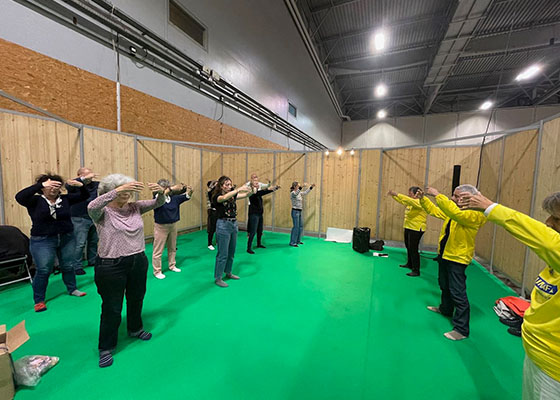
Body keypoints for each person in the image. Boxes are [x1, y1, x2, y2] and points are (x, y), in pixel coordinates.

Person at [459, 191, 560, 400]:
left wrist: (490, 207)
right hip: (535, 352)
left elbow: (544, 239)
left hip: (553, 366)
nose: (548, 223)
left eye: (557, 218)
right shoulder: (554, 262)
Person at [87, 174, 165, 368]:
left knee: (137, 297)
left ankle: (135, 328)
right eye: (123, 190)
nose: (127, 193)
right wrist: (117, 191)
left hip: (138, 260)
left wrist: (160, 192)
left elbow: (158, 203)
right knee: (112, 307)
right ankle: (106, 347)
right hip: (111, 265)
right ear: (110, 192)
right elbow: (91, 206)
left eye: (128, 189)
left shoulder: (135, 207)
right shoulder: (101, 211)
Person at [417, 185, 486, 340]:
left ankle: (461, 329)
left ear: (468, 199)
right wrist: (423, 199)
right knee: (444, 284)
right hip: (445, 254)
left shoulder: (474, 215)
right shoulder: (454, 211)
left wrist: (438, 194)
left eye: (456, 196)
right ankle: (446, 308)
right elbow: (435, 211)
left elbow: (454, 213)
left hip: (458, 258)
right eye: (453, 196)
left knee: (457, 292)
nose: (453, 199)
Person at [15, 173, 90, 312]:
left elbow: (84, 196)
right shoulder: (35, 201)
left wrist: (82, 185)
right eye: (50, 185)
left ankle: (72, 289)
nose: (53, 188)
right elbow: (19, 197)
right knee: (44, 269)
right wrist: (40, 184)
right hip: (42, 239)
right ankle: (39, 300)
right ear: (42, 188)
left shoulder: (65, 199)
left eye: (56, 185)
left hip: (66, 237)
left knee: (68, 265)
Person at [211, 175, 254, 287]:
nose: (229, 186)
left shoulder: (232, 195)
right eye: (227, 184)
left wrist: (253, 190)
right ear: (221, 186)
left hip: (233, 224)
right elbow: (223, 198)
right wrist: (237, 189)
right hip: (223, 225)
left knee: (231, 252)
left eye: (230, 184)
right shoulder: (216, 196)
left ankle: (228, 272)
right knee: (222, 254)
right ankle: (218, 278)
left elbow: (245, 195)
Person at [152, 179, 193, 279]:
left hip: (173, 225)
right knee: (158, 250)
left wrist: (190, 191)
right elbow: (160, 197)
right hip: (161, 226)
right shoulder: (157, 198)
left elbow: (187, 197)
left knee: (172, 247)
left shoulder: (173, 198)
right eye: (165, 187)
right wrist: (171, 188)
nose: (167, 189)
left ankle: (172, 265)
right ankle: (157, 271)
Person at [66, 167, 99, 275]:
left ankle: (92, 260)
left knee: (94, 241)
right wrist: (82, 180)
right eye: (86, 175)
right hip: (79, 217)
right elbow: (68, 185)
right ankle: (76, 266)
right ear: (80, 175)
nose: (90, 177)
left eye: (91, 174)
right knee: (80, 243)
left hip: (94, 217)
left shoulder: (96, 185)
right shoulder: (73, 184)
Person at [388, 187, 427, 277]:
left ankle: (416, 270)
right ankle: (409, 264)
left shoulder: (419, 202)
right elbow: (403, 201)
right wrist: (393, 196)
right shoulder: (411, 202)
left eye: (410, 194)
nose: (409, 195)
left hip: (417, 229)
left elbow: (407, 199)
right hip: (409, 227)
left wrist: (397, 193)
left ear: (416, 194)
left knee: (413, 249)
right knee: (408, 246)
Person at [247, 177, 280, 254]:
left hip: (259, 214)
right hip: (254, 215)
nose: (257, 183)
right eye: (255, 182)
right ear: (252, 185)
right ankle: (248, 248)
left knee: (260, 230)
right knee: (253, 231)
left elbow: (261, 192)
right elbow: (261, 192)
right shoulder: (252, 192)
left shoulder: (258, 192)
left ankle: (259, 244)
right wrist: (271, 189)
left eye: (257, 182)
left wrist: (274, 188)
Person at [289, 181, 316, 247]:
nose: (299, 187)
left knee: (300, 226)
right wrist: (301, 187)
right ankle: (292, 242)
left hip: (299, 211)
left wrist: (311, 187)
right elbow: (295, 194)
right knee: (296, 227)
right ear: (295, 187)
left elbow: (305, 193)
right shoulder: (293, 193)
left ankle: (298, 240)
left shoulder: (299, 193)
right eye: (298, 186)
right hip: (295, 211)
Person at [207, 180, 218, 250]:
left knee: (219, 228)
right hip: (213, 211)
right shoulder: (210, 192)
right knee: (212, 228)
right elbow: (210, 191)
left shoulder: (219, 193)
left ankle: (218, 241)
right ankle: (209, 243)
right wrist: (214, 185)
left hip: (219, 212)